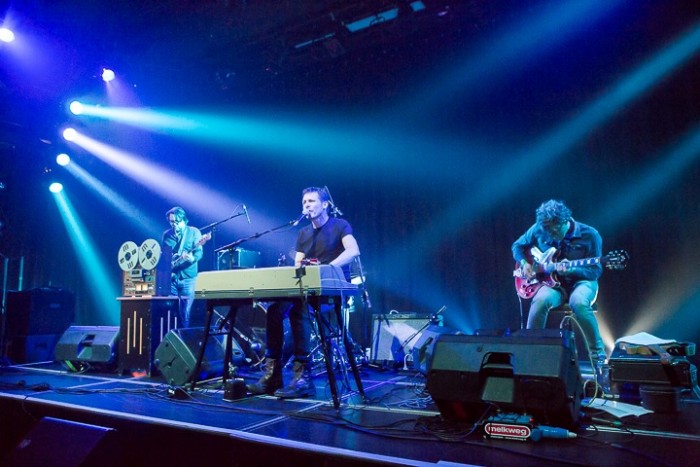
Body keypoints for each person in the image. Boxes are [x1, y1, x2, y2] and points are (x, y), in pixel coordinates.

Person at [248, 187, 360, 399]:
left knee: (299, 309)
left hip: (331, 290)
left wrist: (327, 270)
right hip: (306, 289)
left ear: (325, 204)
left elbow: (353, 251)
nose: (307, 205)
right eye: (304, 202)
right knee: (274, 309)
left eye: (311, 201)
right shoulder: (303, 233)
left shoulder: (340, 225)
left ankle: (303, 378)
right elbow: (298, 264)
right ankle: (272, 375)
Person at [511, 199, 606, 364]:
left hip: (582, 281)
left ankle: (599, 359)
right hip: (554, 284)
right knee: (540, 300)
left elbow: (595, 271)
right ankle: (531, 355)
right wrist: (525, 264)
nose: (548, 235)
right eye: (546, 231)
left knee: (579, 302)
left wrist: (572, 269)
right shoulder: (540, 229)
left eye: (552, 232)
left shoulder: (590, 235)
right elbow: (517, 246)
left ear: (563, 222)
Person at [162, 206, 204, 328]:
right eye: (171, 222)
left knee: (186, 315)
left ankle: (185, 342)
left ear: (184, 221)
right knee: (170, 312)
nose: (174, 225)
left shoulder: (194, 232)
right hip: (172, 280)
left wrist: (193, 259)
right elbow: (165, 257)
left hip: (188, 279)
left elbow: (199, 253)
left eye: (177, 222)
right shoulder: (167, 235)